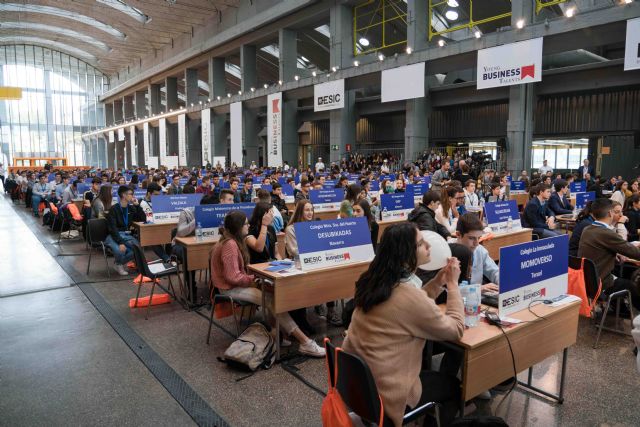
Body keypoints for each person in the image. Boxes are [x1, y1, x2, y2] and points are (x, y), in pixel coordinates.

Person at [342, 223, 464, 427]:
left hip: (360, 387)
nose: (429, 246)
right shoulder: (407, 294)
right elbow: (456, 330)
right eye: (421, 243)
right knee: (453, 387)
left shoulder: (375, 282)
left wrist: (437, 282)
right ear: (407, 254)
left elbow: (407, 308)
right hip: (390, 396)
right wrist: (452, 285)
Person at [210, 211, 325, 357]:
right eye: (246, 223)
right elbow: (232, 277)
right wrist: (253, 279)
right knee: (271, 299)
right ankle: (305, 342)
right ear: (238, 227)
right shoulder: (230, 244)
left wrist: (254, 279)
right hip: (229, 290)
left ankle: (275, 334)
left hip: (236, 284)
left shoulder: (229, 240)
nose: (248, 225)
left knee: (272, 293)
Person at [284, 200, 342, 328]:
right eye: (307, 210)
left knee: (330, 274)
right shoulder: (291, 229)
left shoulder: (315, 226)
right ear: (300, 211)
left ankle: (331, 310)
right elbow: (294, 251)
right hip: (301, 265)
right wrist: (313, 248)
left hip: (319, 261)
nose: (310, 213)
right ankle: (316, 304)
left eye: (311, 210)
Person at [578, 198, 640, 311]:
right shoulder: (605, 233)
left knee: (624, 274)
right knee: (632, 285)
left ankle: (620, 310)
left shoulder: (587, 229)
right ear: (610, 213)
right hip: (602, 283)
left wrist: (616, 253)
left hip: (587, 281)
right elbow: (635, 253)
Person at [105, 186, 146, 276]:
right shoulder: (114, 209)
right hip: (113, 235)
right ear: (124, 195)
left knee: (137, 249)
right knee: (120, 250)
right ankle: (119, 264)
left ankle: (118, 264)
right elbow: (112, 228)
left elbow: (142, 219)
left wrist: (137, 206)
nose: (133, 196)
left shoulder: (131, 208)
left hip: (126, 235)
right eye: (131, 194)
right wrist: (120, 242)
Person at [455, 214, 499, 293]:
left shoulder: (480, 250)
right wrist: (477, 289)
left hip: (476, 300)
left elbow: (495, 272)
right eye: (471, 238)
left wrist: (503, 282)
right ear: (458, 235)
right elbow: (446, 291)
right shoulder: (448, 252)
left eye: (478, 238)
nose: (476, 244)